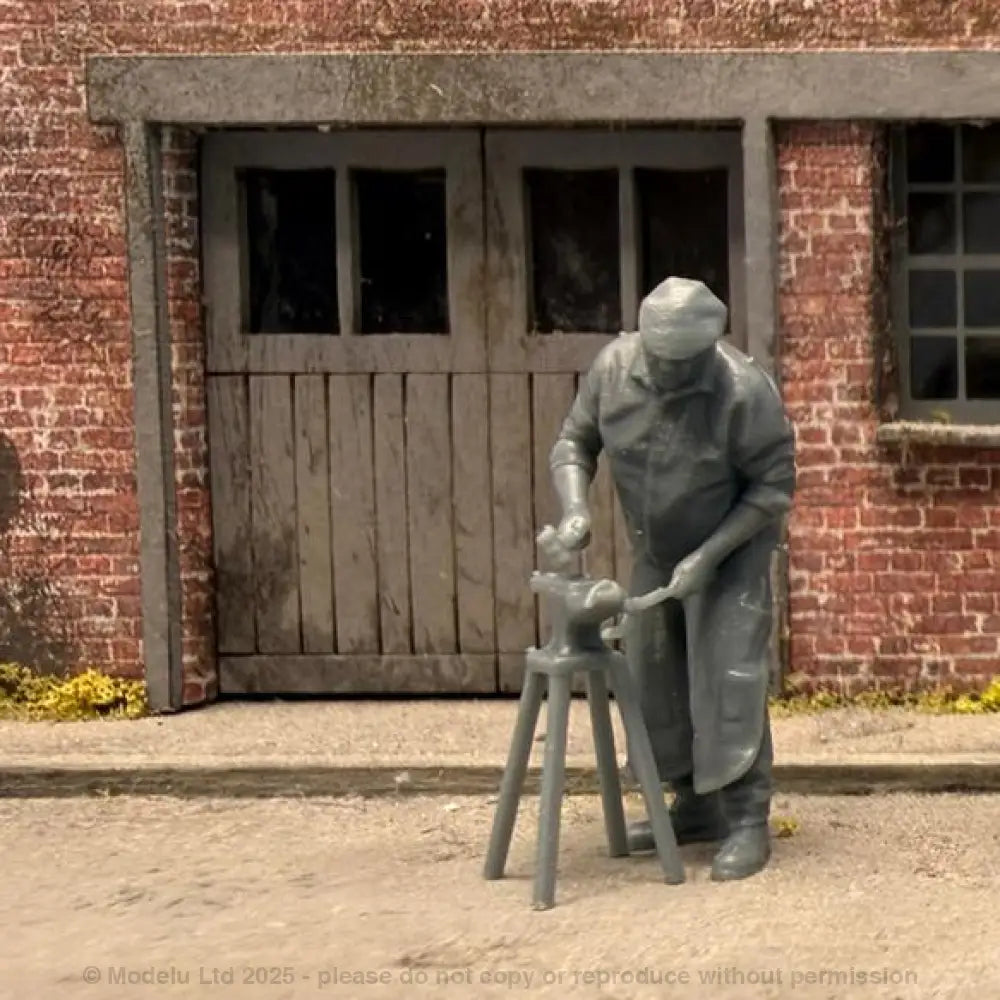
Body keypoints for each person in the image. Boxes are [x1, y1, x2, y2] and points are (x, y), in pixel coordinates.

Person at [549, 276, 796, 881]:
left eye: (686, 365)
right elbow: (573, 443)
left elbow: (774, 487)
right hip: (656, 551)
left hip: (730, 551)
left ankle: (745, 817)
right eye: (662, 363)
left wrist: (710, 556)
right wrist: (576, 507)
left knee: (728, 677)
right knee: (656, 679)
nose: (672, 377)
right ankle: (693, 806)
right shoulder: (610, 371)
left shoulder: (743, 390)